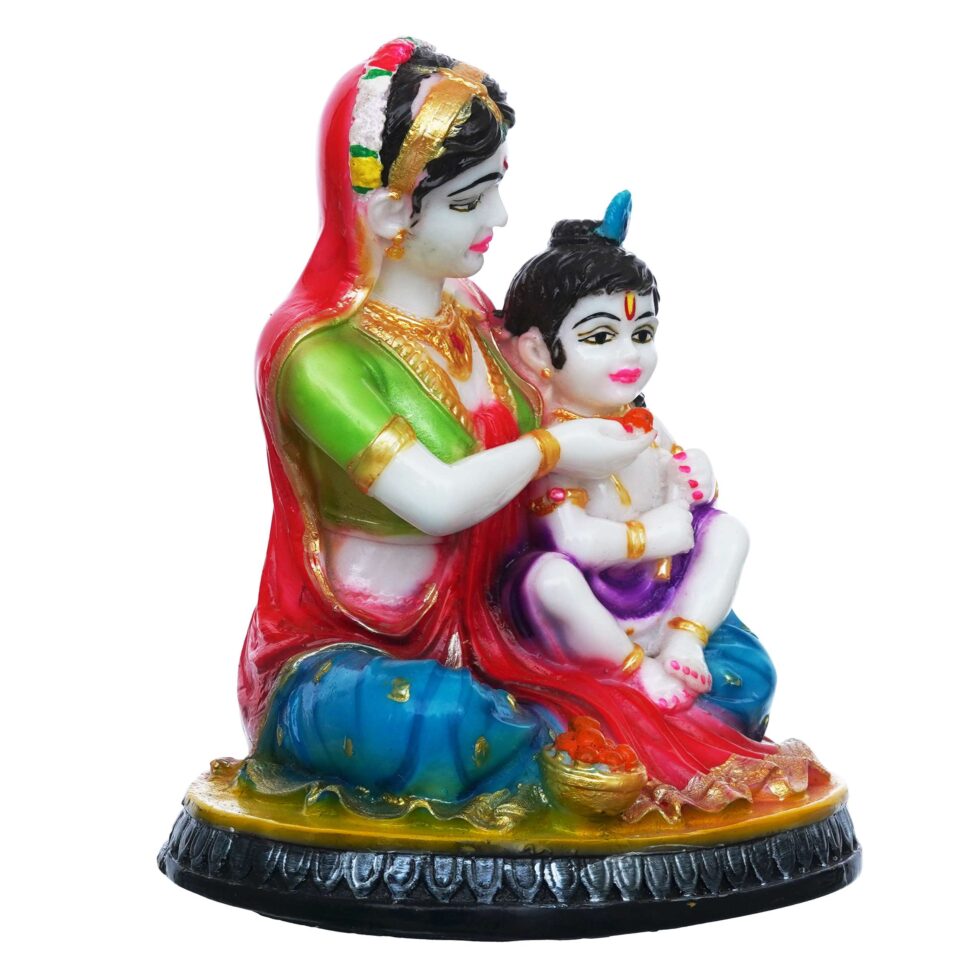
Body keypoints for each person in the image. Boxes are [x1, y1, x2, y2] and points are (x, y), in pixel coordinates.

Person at [237, 39, 654, 814]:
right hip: (361, 655)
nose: (499, 218)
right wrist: (551, 449)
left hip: (506, 615)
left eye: (497, 187)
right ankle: (562, 735)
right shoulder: (319, 356)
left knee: (727, 661)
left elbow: (573, 401)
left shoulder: (469, 310)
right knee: (446, 721)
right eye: (469, 201)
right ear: (391, 213)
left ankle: (573, 723)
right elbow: (436, 501)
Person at [498, 192, 777, 741]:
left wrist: (697, 473)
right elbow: (569, 540)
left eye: (642, 334)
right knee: (549, 579)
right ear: (536, 352)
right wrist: (647, 537)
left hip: (659, 584)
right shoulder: (557, 444)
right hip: (590, 602)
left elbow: (680, 477)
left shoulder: (640, 423)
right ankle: (634, 670)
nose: (630, 355)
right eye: (601, 337)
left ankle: (686, 637)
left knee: (729, 533)